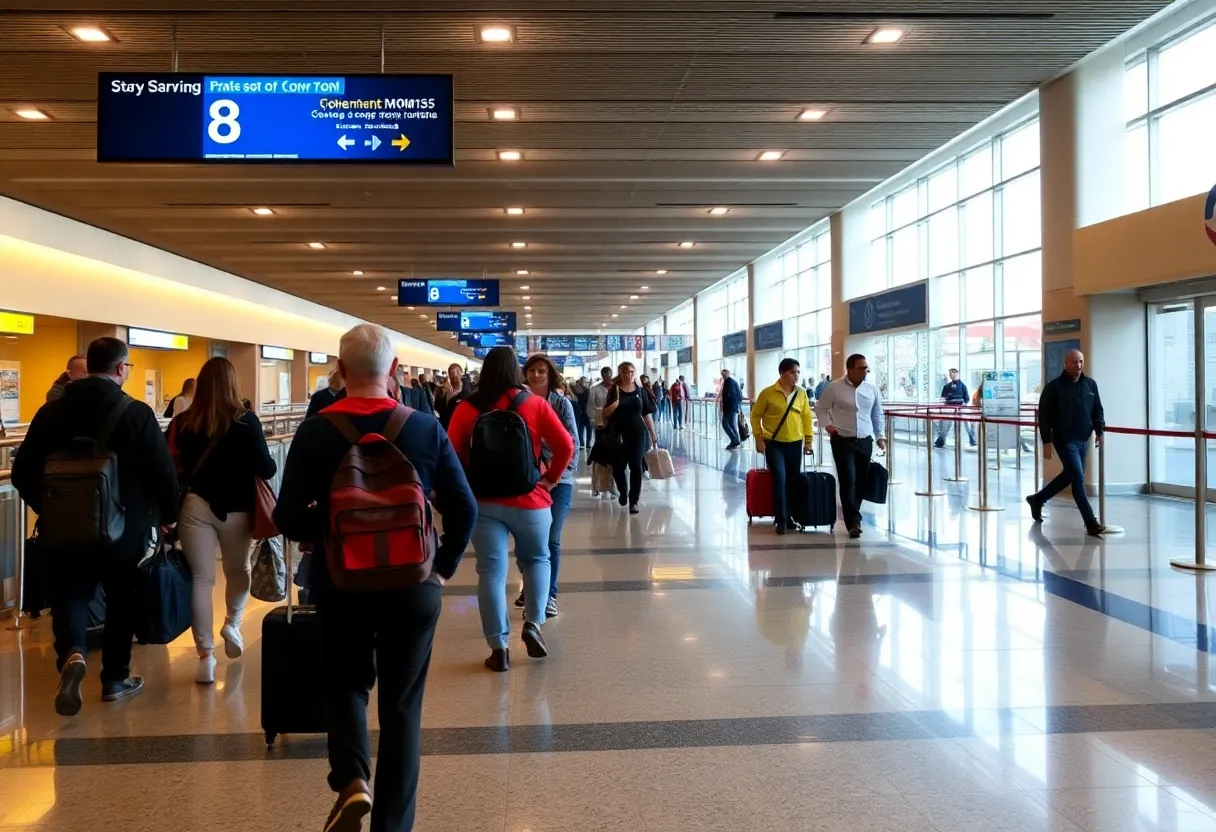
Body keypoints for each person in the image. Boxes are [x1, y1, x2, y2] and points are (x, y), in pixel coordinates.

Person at [274, 324, 477, 832]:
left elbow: (287, 517)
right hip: (413, 585)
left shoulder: (317, 428)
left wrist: (323, 529)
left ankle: (351, 780)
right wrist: (443, 567)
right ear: (393, 371)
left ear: (340, 371)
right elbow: (464, 507)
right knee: (403, 709)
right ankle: (393, 826)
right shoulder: (424, 427)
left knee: (344, 683)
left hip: (342, 582)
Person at [12, 337, 179, 714]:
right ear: (121, 369)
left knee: (69, 594)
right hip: (124, 531)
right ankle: (115, 679)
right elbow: (162, 473)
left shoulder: (50, 413)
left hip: (64, 530)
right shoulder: (135, 413)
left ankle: (72, 653)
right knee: (122, 600)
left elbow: (23, 472)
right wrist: (169, 516)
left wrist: (50, 508)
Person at [446, 347, 574, 672]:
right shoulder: (534, 404)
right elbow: (566, 445)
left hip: (485, 503)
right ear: (516, 371)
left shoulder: (466, 408)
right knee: (537, 560)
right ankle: (533, 624)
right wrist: (549, 480)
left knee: (491, 573)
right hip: (530, 499)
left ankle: (498, 648)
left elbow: (452, 455)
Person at [169, 357, 277, 685]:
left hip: (195, 506)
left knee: (201, 580)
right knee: (237, 570)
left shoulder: (183, 422)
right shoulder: (246, 422)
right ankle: (232, 623)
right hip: (238, 508)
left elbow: (171, 463)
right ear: (233, 384)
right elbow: (267, 469)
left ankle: (205, 657)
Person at [519, 354, 579, 618]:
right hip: (529, 477)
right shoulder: (519, 403)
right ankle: (531, 587)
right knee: (528, 538)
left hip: (559, 479)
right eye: (532, 371)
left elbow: (572, 443)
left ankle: (549, 594)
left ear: (550, 374)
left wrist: (556, 476)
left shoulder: (561, 403)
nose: (536, 375)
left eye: (541, 371)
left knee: (551, 538)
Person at [1026, 349, 1107, 537]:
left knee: (1071, 475)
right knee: (1077, 476)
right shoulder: (1054, 388)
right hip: (1065, 440)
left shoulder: (1090, 385)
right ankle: (1090, 522)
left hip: (1083, 440)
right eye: (1074, 362)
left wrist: (1099, 430)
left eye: (1080, 361)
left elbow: (1097, 410)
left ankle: (1038, 499)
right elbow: (1044, 416)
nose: (1078, 365)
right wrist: (1046, 440)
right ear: (1065, 364)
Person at [815, 354, 886, 539]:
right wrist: (828, 426)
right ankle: (852, 522)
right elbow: (820, 408)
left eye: (866, 368)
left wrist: (880, 436)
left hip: (864, 441)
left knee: (861, 481)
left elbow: (877, 413)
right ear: (851, 369)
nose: (865, 371)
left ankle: (855, 514)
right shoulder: (835, 387)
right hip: (842, 440)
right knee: (848, 480)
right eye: (862, 368)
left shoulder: (872, 389)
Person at [751, 358, 814, 535]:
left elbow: (806, 418)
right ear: (783, 373)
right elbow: (756, 416)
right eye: (793, 372)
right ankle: (780, 518)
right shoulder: (768, 393)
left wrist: (808, 441)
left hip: (795, 442)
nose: (797, 376)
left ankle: (789, 516)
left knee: (792, 480)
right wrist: (758, 437)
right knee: (779, 478)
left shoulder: (801, 394)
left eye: (798, 372)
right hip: (774, 443)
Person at [604, 361, 659, 514]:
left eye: (631, 372)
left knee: (636, 466)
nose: (629, 375)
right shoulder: (614, 391)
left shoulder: (640, 391)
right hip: (619, 434)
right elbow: (605, 413)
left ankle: (633, 500)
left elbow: (646, 413)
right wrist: (613, 406)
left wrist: (653, 433)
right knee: (619, 467)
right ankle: (623, 491)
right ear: (620, 374)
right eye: (625, 372)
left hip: (638, 433)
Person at [934, 368, 976, 448]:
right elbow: (943, 398)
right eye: (950, 373)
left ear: (956, 373)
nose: (950, 375)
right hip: (949, 408)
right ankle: (941, 440)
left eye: (952, 373)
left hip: (960, 408)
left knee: (966, 423)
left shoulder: (962, 386)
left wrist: (963, 405)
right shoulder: (947, 386)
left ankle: (971, 438)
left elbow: (966, 398)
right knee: (945, 424)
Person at [434, 362, 469, 430]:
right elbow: (437, 408)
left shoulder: (466, 391)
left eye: (453, 373)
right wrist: (440, 395)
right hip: (446, 428)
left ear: (460, 373)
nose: (451, 376)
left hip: (461, 428)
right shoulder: (445, 390)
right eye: (450, 374)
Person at [719, 368, 743, 450]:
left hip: (729, 408)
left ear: (728, 374)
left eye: (724, 374)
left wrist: (725, 404)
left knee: (725, 423)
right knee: (732, 424)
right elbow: (739, 396)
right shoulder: (733, 382)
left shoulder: (729, 382)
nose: (723, 376)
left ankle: (734, 440)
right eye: (722, 374)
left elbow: (730, 395)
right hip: (733, 407)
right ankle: (736, 440)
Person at [571, 376, 593, 450]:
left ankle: (586, 444)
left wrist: (580, 384)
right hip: (582, 413)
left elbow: (585, 390)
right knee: (582, 429)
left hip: (586, 413)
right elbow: (573, 389)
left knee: (586, 429)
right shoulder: (580, 393)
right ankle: (583, 444)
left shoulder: (588, 391)